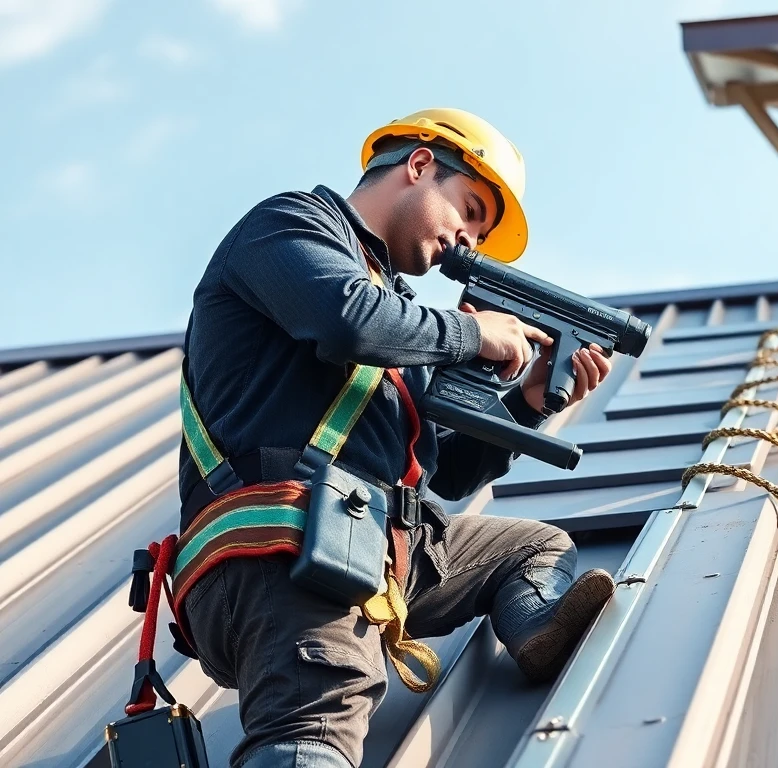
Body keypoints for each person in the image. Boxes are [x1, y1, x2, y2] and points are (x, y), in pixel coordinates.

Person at [174, 108, 614, 768]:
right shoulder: (290, 225)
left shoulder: (400, 317)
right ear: (419, 165)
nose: (466, 239)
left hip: (374, 543)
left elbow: (441, 476)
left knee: (534, 547)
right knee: (317, 727)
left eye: (479, 233)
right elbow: (346, 321)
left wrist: (526, 404)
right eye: (469, 210)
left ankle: (536, 628)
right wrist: (473, 333)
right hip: (283, 544)